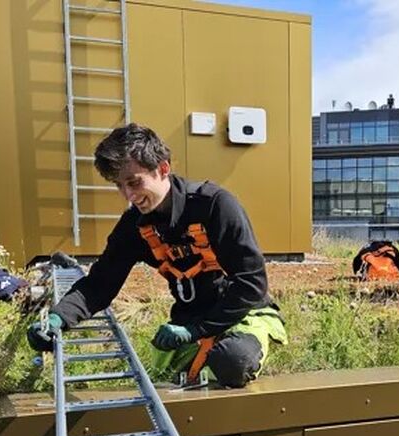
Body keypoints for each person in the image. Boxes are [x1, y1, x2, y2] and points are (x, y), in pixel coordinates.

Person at [27, 123, 287, 388]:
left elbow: (251, 283)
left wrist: (196, 331)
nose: (128, 195)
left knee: (232, 361)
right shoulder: (135, 226)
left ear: (163, 168)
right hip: (188, 320)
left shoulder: (215, 206)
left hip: (243, 314)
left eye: (134, 182)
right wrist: (59, 318)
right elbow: (99, 284)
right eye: (119, 186)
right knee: (168, 380)